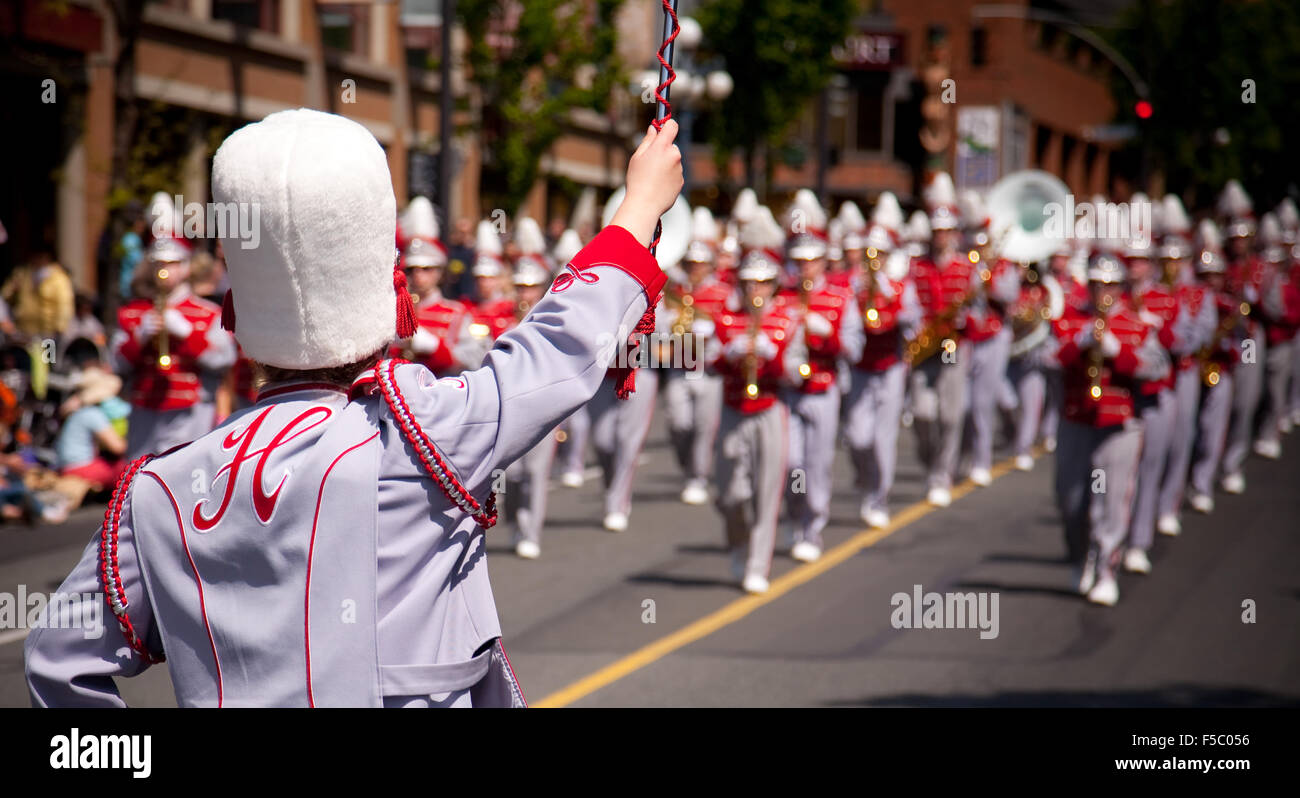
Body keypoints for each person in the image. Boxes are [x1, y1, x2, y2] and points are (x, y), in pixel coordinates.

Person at [25, 108, 682, 707]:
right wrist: (640, 205)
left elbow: (58, 662)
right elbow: (557, 346)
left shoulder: (160, 490)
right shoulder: (425, 431)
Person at [1053, 253, 1169, 606]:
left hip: (1119, 423)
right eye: (1095, 284)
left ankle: (1106, 570)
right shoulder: (1070, 321)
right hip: (1077, 420)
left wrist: (1120, 353)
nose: (1102, 291)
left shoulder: (1138, 324)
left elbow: (1158, 368)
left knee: (1111, 501)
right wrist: (1081, 342)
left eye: (1109, 285)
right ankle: (1080, 557)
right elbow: (1047, 356)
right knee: (1071, 500)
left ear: (1119, 288)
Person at [708, 207, 800, 594]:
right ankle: (738, 543)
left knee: (767, 491)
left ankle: (758, 564)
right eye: (749, 283)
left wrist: (772, 355)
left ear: (774, 284)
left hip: (769, 409)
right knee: (729, 494)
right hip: (733, 408)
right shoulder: (726, 320)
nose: (756, 291)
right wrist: (724, 354)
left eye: (763, 283)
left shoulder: (787, 319)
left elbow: (797, 372)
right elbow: (706, 362)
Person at [777, 191, 863, 562]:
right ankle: (797, 519)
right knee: (792, 463)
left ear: (823, 262)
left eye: (811, 261)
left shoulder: (842, 298)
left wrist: (828, 333)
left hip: (824, 388)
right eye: (800, 262)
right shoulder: (784, 297)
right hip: (790, 390)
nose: (805, 269)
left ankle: (813, 527)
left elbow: (854, 348)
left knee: (817, 464)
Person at [111, 236, 237, 458]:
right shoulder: (133, 312)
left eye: (172, 263)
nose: (164, 270)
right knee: (139, 475)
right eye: (159, 263)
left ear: (186, 267)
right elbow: (115, 364)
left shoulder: (207, 312)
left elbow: (224, 359)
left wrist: (187, 333)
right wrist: (139, 338)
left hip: (191, 408)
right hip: (144, 406)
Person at [844, 215, 921, 529]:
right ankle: (865, 478)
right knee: (857, 437)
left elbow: (914, 324)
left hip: (890, 368)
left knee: (882, 439)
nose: (873, 261)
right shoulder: (853, 285)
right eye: (869, 255)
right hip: (861, 369)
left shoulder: (901, 286)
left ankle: (878, 498)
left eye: (880, 255)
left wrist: (891, 296)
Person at [55, 367, 129, 489]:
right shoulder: (93, 414)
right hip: (80, 469)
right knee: (125, 466)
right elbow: (118, 447)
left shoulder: (78, 413)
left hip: (66, 467)